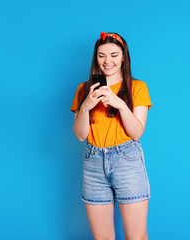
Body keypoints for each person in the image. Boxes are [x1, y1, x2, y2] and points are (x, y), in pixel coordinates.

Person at [70, 32, 152, 240]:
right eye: (101, 55)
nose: (108, 61)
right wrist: (86, 106)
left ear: (124, 56)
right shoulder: (83, 90)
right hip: (93, 163)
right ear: (95, 58)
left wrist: (120, 104)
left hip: (127, 160)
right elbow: (80, 135)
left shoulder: (137, 87)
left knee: (137, 237)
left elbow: (136, 132)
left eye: (114, 55)